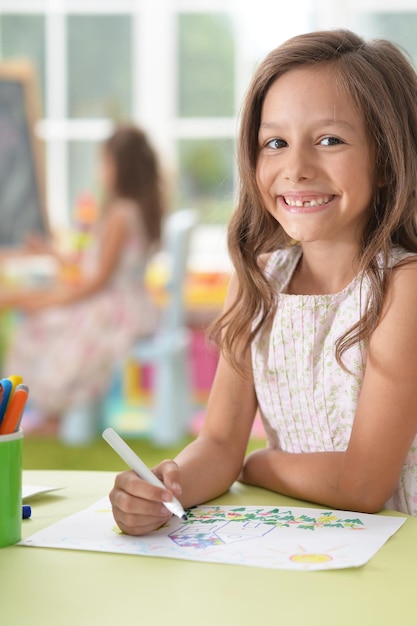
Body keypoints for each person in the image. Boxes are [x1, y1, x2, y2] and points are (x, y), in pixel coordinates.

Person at [109, 29, 417, 536]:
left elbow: (363, 485)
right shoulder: (259, 280)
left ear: (385, 159)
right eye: (275, 143)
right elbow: (219, 442)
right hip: (307, 546)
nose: (296, 168)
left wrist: (256, 464)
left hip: (395, 555)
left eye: (329, 140)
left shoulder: (401, 288)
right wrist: (168, 488)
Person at [0, 124, 165, 434]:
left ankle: (53, 414)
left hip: (115, 309)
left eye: (105, 162)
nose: (100, 170)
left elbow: (96, 281)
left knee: (40, 322)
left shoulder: (120, 214)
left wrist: (51, 299)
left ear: (122, 168)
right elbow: (90, 268)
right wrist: (51, 254)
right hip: (125, 303)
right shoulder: (134, 210)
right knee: (38, 310)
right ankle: (53, 413)